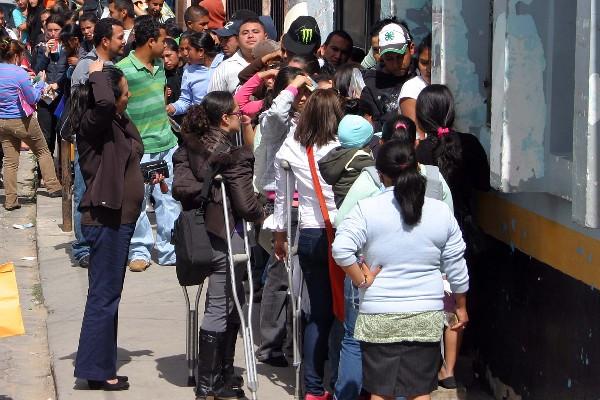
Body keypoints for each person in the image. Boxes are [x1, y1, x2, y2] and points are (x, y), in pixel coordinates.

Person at [332, 139, 469, 400]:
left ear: (380, 174)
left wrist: (362, 279)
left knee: (380, 393)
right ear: (417, 168)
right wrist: (461, 306)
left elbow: (341, 249)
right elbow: (456, 265)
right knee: (420, 392)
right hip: (425, 314)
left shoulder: (367, 210)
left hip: (378, 314)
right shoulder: (440, 211)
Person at [172, 92, 264, 400]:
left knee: (222, 304)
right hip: (226, 234)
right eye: (238, 114)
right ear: (225, 119)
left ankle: (221, 377)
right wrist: (264, 209)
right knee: (223, 305)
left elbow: (180, 187)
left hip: (197, 235)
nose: (242, 117)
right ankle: (209, 385)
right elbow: (247, 205)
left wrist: (203, 188)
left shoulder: (187, 146)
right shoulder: (233, 155)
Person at [71, 61, 145, 391]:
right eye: (125, 93)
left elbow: (131, 147)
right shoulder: (93, 123)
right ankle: (96, 369)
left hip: (121, 220)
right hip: (105, 220)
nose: (129, 97)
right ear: (109, 96)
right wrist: (98, 73)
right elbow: (102, 102)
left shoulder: (114, 121)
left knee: (108, 295)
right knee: (103, 296)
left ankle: (100, 364)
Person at [415, 85, 490, 390]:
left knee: (429, 299)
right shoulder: (469, 145)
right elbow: (484, 185)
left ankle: (428, 362)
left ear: (421, 116)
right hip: (462, 235)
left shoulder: (419, 151)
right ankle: (451, 368)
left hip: (426, 236)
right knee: (457, 302)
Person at [273, 89, 343, 400]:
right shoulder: (346, 145)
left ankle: (313, 388)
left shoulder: (292, 145)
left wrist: (280, 234)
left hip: (312, 234)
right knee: (346, 312)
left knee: (319, 312)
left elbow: (283, 194)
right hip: (344, 233)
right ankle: (343, 383)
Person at [117, 16, 180, 271]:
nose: (166, 48)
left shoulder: (160, 65)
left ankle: (169, 250)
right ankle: (140, 251)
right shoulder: (122, 70)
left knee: (169, 199)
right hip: (139, 149)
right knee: (138, 202)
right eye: (163, 42)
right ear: (150, 41)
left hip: (166, 143)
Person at [70, 18, 126, 269]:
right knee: (84, 192)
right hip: (90, 144)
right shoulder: (87, 67)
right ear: (105, 41)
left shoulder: (113, 65)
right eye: (119, 37)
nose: (123, 42)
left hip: (108, 141)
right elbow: (84, 107)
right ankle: (82, 247)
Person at [0, 37, 62, 211]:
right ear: (17, 55)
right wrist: (41, 81)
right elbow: (34, 98)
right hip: (21, 120)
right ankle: (54, 187)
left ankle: (11, 200)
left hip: (2, 122)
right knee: (42, 150)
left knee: (10, 162)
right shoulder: (19, 73)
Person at [361, 23, 415, 129]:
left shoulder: (422, 75)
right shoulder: (370, 84)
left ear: (411, 48)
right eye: (389, 59)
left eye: (400, 57)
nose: (395, 64)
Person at [318, 114, 375, 208]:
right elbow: (378, 172)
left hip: (341, 201)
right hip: (355, 204)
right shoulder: (359, 157)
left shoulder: (338, 154)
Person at [32, 13, 66, 156]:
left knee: (62, 134)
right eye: (50, 30)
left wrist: (59, 85)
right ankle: (45, 173)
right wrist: (46, 53)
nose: (53, 34)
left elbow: (68, 71)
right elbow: (36, 71)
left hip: (62, 95)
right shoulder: (41, 47)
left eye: (56, 30)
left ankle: (63, 173)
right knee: (46, 135)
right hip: (45, 97)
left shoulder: (68, 48)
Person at [166, 31, 221, 116]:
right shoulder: (188, 72)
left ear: (201, 52)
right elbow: (185, 101)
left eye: (188, 49)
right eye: (182, 49)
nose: (185, 54)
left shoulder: (225, 63)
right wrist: (172, 108)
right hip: (202, 123)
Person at [208, 17, 267, 93]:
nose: (250, 36)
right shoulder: (225, 67)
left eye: (255, 32)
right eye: (245, 33)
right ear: (238, 39)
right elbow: (213, 101)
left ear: (265, 36)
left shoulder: (277, 62)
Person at [399, 33, 431, 130]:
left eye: (435, 63)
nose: (429, 69)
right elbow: (416, 136)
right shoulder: (412, 87)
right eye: (424, 63)